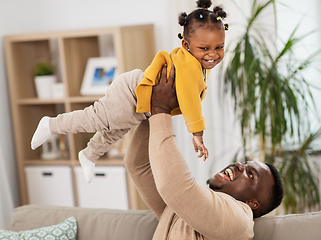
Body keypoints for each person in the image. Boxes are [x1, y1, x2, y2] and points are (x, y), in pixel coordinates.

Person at [30, 0, 229, 183]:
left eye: (219, 47)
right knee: (96, 119)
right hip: (130, 92)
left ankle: (89, 154)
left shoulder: (198, 63)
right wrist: (197, 134)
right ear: (186, 45)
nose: (213, 54)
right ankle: (51, 124)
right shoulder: (189, 65)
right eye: (204, 48)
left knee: (116, 130)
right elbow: (189, 98)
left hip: (142, 103)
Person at [124, 64, 284, 239]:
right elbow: (138, 165)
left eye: (251, 174)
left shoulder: (239, 220)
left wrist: (161, 109)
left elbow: (174, 187)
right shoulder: (189, 205)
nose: (239, 165)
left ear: (252, 203)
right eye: (244, 163)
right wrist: (153, 107)